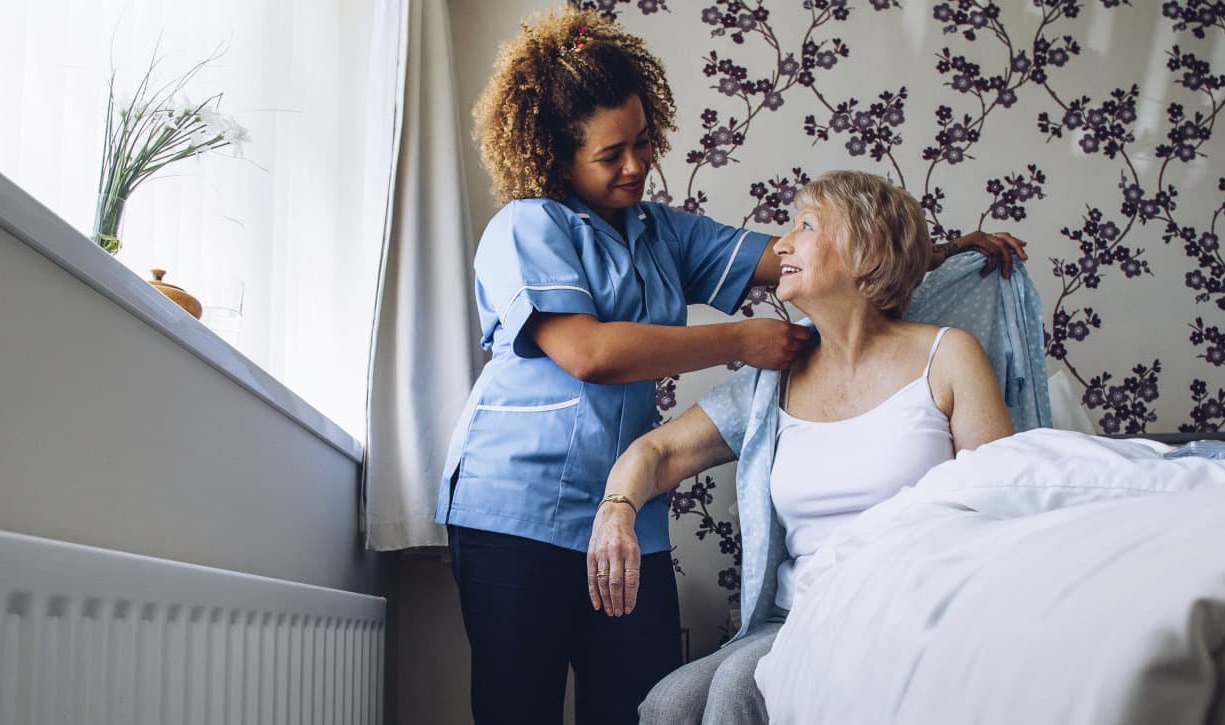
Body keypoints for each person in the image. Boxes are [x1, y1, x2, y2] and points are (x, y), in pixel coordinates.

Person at [438, 9, 1028, 724]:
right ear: (558, 156)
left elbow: (812, 255)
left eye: (642, 142)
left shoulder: (662, 234)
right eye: (610, 154)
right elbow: (588, 353)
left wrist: (933, 251)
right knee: (517, 709)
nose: (635, 166)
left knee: (640, 704)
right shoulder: (525, 227)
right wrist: (738, 341)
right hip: (516, 506)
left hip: (630, 509)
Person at [583, 171, 1018, 724]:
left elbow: (1003, 501)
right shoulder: (774, 380)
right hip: (795, 615)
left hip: (903, 610)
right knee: (668, 704)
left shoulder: (949, 355)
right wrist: (616, 510)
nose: (783, 244)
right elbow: (658, 454)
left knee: (741, 687)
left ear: (869, 250)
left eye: (805, 226)